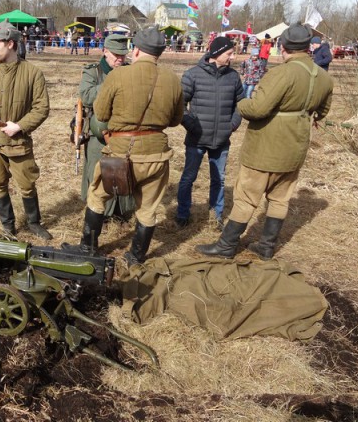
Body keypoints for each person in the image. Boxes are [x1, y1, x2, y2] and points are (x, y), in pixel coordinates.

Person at [196, 22, 333, 260]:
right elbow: (323, 111)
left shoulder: (281, 73)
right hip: (296, 147)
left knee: (247, 196)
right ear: (307, 47)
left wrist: (239, 104)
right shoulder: (323, 77)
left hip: (266, 148)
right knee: (280, 198)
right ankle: (267, 246)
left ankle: (227, 245)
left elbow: (257, 109)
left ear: (284, 47)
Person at [67, 27, 184, 266]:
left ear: (137, 50)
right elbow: (175, 120)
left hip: (121, 152)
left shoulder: (118, 76)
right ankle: (135, 257)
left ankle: (88, 248)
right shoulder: (173, 79)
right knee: (148, 209)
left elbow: (100, 112)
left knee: (97, 196)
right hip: (157, 154)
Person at [0, 19, 51, 240]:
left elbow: (42, 108)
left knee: (27, 184)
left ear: (11, 44)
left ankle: (34, 222)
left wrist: (20, 126)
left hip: (17, 141)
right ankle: (8, 226)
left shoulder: (33, 73)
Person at [176, 36, 243, 230]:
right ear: (216, 53)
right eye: (229, 53)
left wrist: (231, 125)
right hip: (196, 138)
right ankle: (182, 213)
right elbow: (180, 105)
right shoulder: (192, 75)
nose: (232, 57)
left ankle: (216, 214)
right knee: (188, 177)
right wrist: (192, 126)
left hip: (222, 138)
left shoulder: (233, 77)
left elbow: (241, 104)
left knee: (219, 179)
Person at [79, 34, 135, 218]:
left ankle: (120, 210)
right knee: (98, 172)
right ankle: (98, 213)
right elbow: (86, 96)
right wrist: (111, 83)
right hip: (98, 132)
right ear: (105, 52)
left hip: (123, 131)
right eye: (115, 55)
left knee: (123, 170)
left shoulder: (130, 71)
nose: (120, 59)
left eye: (122, 55)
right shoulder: (93, 72)